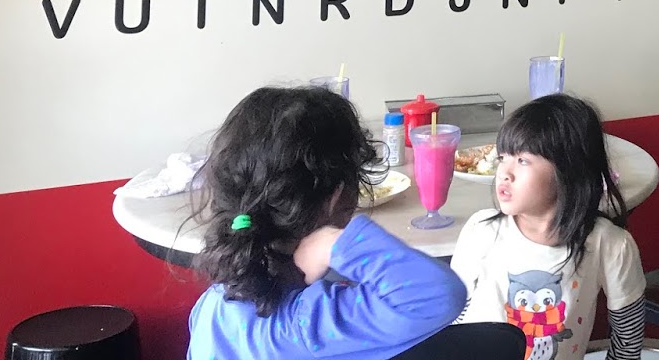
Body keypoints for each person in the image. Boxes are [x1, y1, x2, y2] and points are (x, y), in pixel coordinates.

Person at [187, 85, 467, 360]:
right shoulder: (305, 326)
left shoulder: (213, 303)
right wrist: (335, 244)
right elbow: (438, 295)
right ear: (338, 198)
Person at [448, 94, 645, 360]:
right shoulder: (481, 231)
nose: (504, 172)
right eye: (503, 157)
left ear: (569, 169)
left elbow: (627, 340)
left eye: (523, 160)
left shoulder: (610, 244)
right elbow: (453, 321)